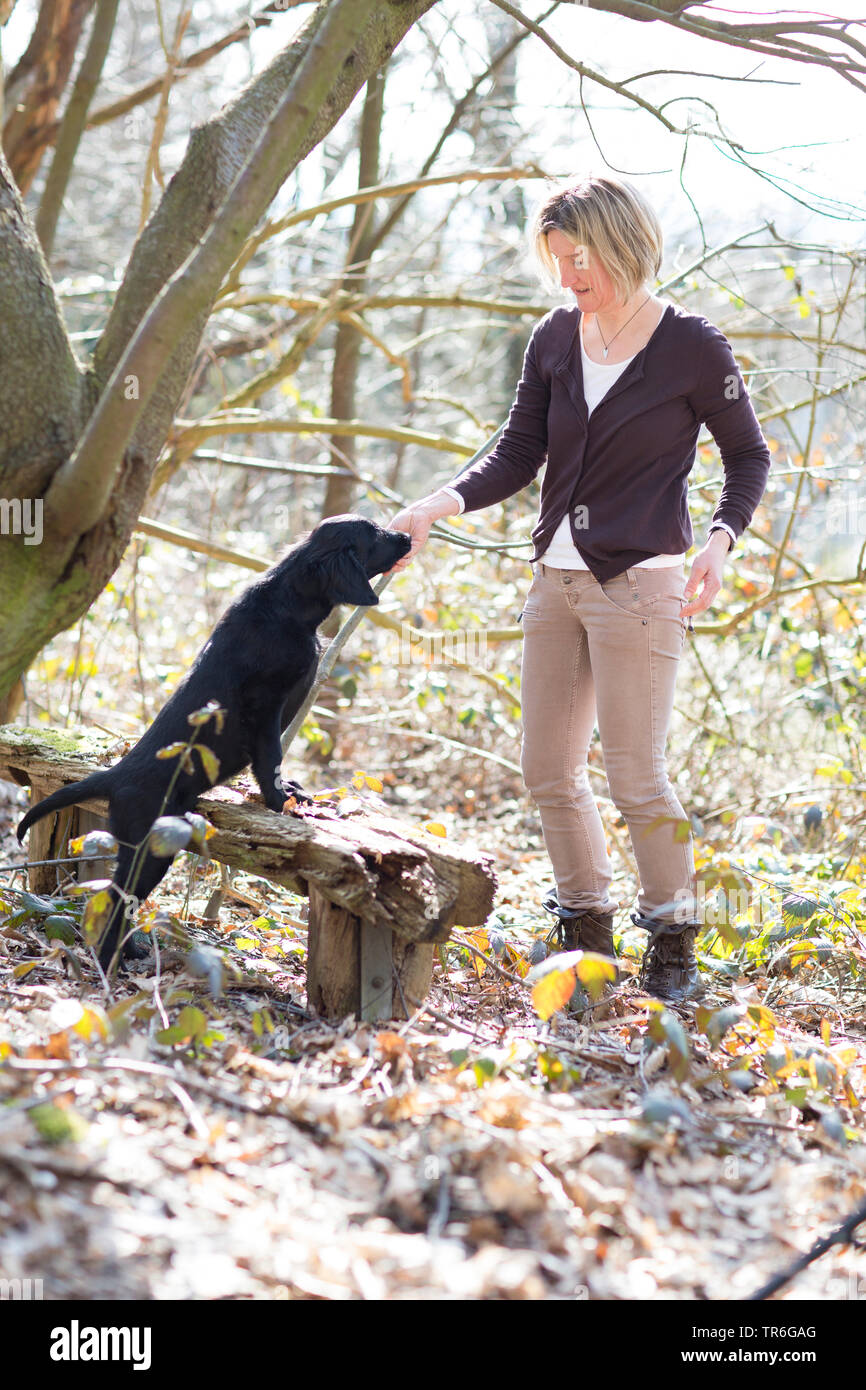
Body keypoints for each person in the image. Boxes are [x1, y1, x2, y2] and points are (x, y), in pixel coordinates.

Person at [389, 176, 770, 1004]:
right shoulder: (556, 338)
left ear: (622, 245)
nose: (567, 277)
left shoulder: (691, 347)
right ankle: (586, 931)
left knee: (639, 778)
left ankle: (673, 938)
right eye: (556, 262)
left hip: (642, 585)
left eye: (578, 260)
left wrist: (720, 539)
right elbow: (518, 449)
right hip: (554, 582)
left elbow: (750, 456)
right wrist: (438, 503)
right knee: (549, 772)